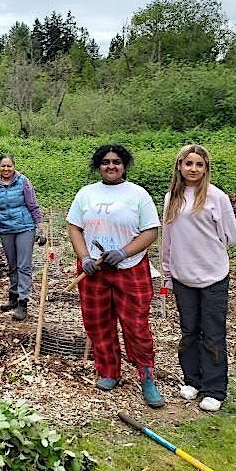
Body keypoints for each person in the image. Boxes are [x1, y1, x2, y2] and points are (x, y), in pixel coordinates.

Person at [66, 144, 164, 408]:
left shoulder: (138, 194)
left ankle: (146, 375)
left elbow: (150, 232)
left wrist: (123, 251)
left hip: (129, 268)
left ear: (124, 165)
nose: (111, 166)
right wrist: (84, 256)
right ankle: (109, 371)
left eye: (117, 162)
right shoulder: (86, 194)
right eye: (106, 162)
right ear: (98, 165)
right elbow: (74, 227)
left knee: (136, 325)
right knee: (98, 322)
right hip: (94, 271)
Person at [162, 144, 236, 412]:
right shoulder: (172, 196)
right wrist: (168, 273)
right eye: (188, 164)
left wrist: (206, 249)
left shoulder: (217, 198)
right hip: (183, 277)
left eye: (199, 164)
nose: (193, 169)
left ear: (206, 168)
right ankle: (192, 380)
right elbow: (168, 239)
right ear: (179, 167)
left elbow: (231, 237)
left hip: (213, 276)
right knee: (188, 331)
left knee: (213, 333)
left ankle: (214, 389)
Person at [0, 153, 46, 322]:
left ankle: (23, 302)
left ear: (14, 166)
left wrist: (40, 228)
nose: (6, 169)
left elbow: (33, 206)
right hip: (6, 229)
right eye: (3, 166)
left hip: (25, 228)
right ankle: (13, 296)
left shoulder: (23, 182)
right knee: (12, 265)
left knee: (23, 265)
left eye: (9, 166)